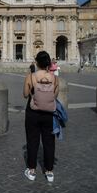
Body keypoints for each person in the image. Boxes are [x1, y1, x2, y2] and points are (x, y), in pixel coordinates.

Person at [23, 51, 59, 183]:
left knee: (32, 141)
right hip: (49, 113)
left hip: (33, 113)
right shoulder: (55, 78)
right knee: (49, 142)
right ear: (49, 63)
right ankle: (49, 172)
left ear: (37, 63)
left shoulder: (31, 76)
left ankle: (31, 171)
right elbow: (54, 96)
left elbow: (25, 94)